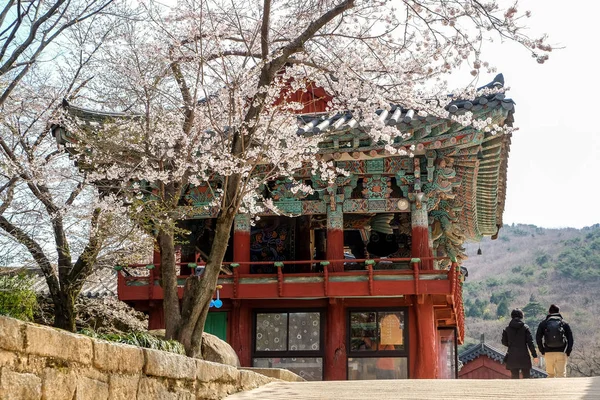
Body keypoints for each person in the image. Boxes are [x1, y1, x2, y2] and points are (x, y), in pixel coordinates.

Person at [536, 304, 574, 378]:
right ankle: (561, 389)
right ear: (558, 312)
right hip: (561, 352)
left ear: (549, 312)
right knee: (561, 374)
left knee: (550, 375)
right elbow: (570, 338)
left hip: (548, 353)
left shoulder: (544, 323)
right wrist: (568, 352)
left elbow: (538, 338)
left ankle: (550, 389)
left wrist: (542, 351)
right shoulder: (564, 323)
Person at [502, 308, 538, 379]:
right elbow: (530, 343)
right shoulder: (525, 328)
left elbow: (504, 342)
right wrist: (534, 356)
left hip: (512, 355)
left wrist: (511, 345)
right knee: (526, 377)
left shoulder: (507, 329)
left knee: (514, 377)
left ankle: (515, 390)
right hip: (524, 355)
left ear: (512, 316)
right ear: (521, 316)